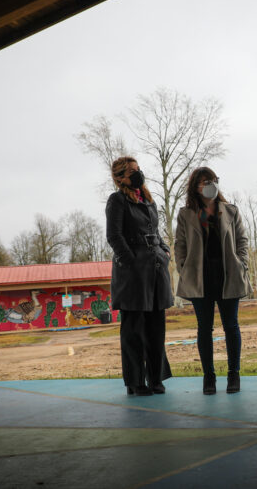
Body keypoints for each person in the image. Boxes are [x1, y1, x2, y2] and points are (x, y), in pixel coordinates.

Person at [174, 167, 250, 395]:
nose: (212, 184)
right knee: (204, 329)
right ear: (196, 186)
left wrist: (242, 263)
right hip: (200, 278)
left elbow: (242, 240)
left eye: (215, 180)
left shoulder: (230, 211)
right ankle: (209, 377)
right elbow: (180, 244)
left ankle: (233, 375)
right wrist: (183, 267)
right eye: (207, 181)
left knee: (231, 326)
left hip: (228, 275)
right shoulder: (186, 213)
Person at [106, 156, 173, 396]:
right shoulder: (117, 200)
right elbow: (114, 236)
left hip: (156, 270)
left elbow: (155, 231)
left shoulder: (149, 200)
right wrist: (131, 261)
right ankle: (135, 382)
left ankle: (156, 379)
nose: (138, 173)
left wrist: (165, 251)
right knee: (133, 330)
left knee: (156, 328)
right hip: (133, 274)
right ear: (120, 177)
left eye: (138, 169)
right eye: (132, 171)